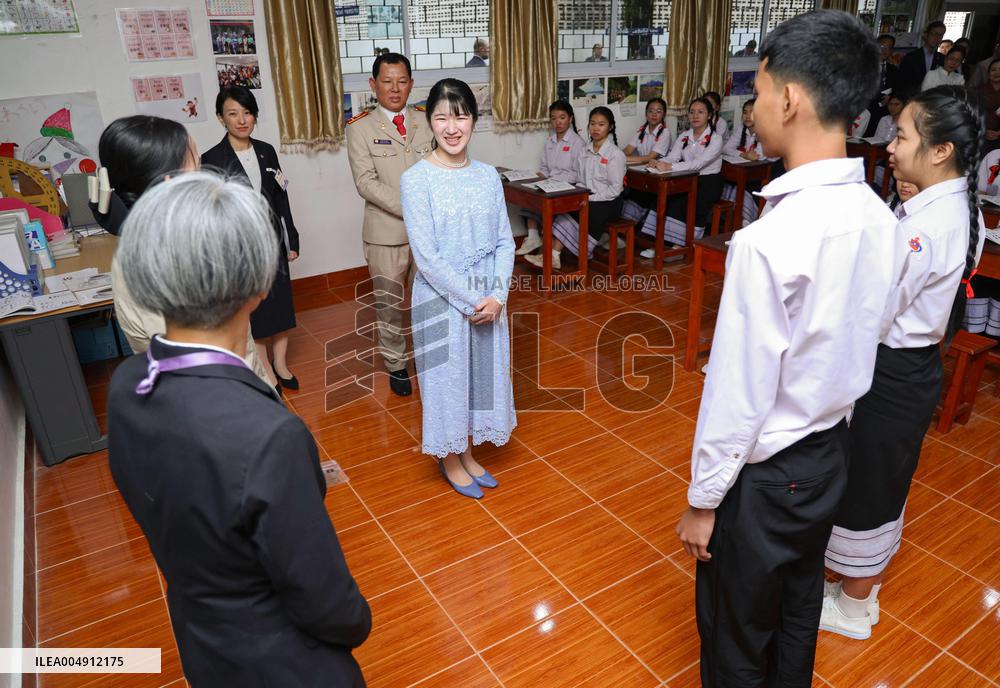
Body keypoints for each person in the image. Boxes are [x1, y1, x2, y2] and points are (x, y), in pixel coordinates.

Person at [675, 11, 896, 686]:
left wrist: (704, 499)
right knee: (798, 606)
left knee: (735, 630)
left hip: (766, 479)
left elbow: (738, 394)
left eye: (760, 92)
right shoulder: (881, 219)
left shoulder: (769, 240)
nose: (754, 108)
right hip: (830, 452)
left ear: (792, 100)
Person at [108, 172, 372, 686]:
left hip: (205, 646)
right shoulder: (269, 437)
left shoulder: (126, 385)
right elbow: (330, 607)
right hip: (283, 665)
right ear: (258, 283)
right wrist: (355, 619)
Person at [822, 86, 985, 641]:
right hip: (910, 367)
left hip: (893, 369)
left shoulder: (925, 227)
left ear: (939, 151)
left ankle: (853, 604)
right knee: (877, 476)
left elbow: (872, 309)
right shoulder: (952, 205)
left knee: (872, 485)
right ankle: (853, 585)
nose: (891, 146)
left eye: (904, 135)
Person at [92, 115, 273, 385]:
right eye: (194, 162)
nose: (201, 171)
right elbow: (204, 362)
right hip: (218, 396)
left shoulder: (144, 238)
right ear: (170, 182)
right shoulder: (166, 258)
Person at [400, 79, 516, 499]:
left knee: (479, 378)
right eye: (442, 117)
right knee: (446, 381)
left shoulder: (488, 177)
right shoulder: (416, 180)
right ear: (429, 122)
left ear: (473, 120)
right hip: (442, 299)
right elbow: (427, 258)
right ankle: (450, 458)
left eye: (461, 115)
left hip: (488, 299)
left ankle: (467, 452)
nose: (452, 127)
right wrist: (474, 300)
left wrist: (498, 295)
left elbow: (505, 240)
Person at [346, 52, 434, 396]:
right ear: (373, 85)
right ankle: (397, 364)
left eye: (401, 81)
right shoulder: (359, 128)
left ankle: (431, 359)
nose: (395, 88)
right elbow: (365, 182)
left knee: (431, 301)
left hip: (428, 233)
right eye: (387, 81)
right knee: (389, 305)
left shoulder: (427, 120)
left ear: (411, 84)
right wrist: (411, 207)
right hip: (386, 234)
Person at [202, 86, 301, 392]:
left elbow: (281, 197)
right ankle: (265, 369)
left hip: (272, 240)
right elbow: (213, 212)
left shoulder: (267, 150)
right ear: (221, 118)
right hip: (239, 247)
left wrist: (291, 239)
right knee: (254, 308)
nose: (242, 120)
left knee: (281, 303)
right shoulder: (211, 158)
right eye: (233, 113)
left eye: (247, 113)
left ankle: (281, 364)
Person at [525, 107, 625, 270]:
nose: (596, 128)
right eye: (592, 124)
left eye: (601, 124)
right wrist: (577, 196)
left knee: (581, 211)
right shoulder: (585, 151)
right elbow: (580, 180)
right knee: (565, 210)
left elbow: (614, 190)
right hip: (588, 197)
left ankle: (553, 256)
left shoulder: (615, 154)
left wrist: (587, 199)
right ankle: (553, 256)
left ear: (610, 127)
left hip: (609, 202)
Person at [633, 96, 724, 256]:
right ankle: (660, 245)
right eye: (692, 112)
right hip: (687, 177)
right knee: (664, 199)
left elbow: (698, 164)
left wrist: (669, 166)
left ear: (709, 115)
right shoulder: (684, 136)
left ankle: (682, 245)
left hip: (708, 181)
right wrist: (657, 162)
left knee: (689, 204)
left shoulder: (716, 139)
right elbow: (672, 157)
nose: (695, 116)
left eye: (700, 112)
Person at [516, 100, 586, 257]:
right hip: (551, 185)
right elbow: (545, 168)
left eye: (562, 117)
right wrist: (535, 178)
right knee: (529, 196)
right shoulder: (550, 141)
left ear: (570, 119)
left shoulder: (578, 143)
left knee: (542, 201)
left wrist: (555, 180)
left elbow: (578, 174)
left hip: (567, 188)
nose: (558, 122)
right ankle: (533, 237)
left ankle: (552, 252)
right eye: (553, 118)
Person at [719, 98, 769, 226]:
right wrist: (743, 154)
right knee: (726, 182)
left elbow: (758, 156)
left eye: (752, 112)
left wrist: (748, 156)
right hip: (746, 169)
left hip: (766, 172)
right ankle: (732, 219)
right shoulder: (742, 128)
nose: (747, 116)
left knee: (744, 187)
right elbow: (726, 148)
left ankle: (746, 220)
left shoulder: (766, 130)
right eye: (745, 112)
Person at [897, 20, 946, 97]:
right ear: (926, 35)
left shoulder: (943, 59)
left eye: (940, 35)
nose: (937, 38)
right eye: (934, 34)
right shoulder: (911, 57)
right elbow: (901, 83)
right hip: (912, 98)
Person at [865, 34, 900, 137]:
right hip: (867, 110)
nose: (885, 50)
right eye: (882, 46)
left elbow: (898, 89)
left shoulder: (894, 70)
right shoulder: (864, 67)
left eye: (889, 47)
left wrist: (891, 97)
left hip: (886, 112)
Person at [623, 97, 672, 166]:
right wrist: (615, 155)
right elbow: (628, 150)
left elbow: (650, 157)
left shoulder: (665, 133)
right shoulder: (642, 130)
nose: (654, 114)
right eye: (650, 111)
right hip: (642, 168)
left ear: (664, 115)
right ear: (646, 113)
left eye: (658, 111)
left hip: (659, 171)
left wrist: (623, 158)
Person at [977, 58, 1000, 154]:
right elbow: (972, 114)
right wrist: (984, 131)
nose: (997, 72)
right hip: (981, 136)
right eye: (993, 70)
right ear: (988, 73)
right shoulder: (978, 90)